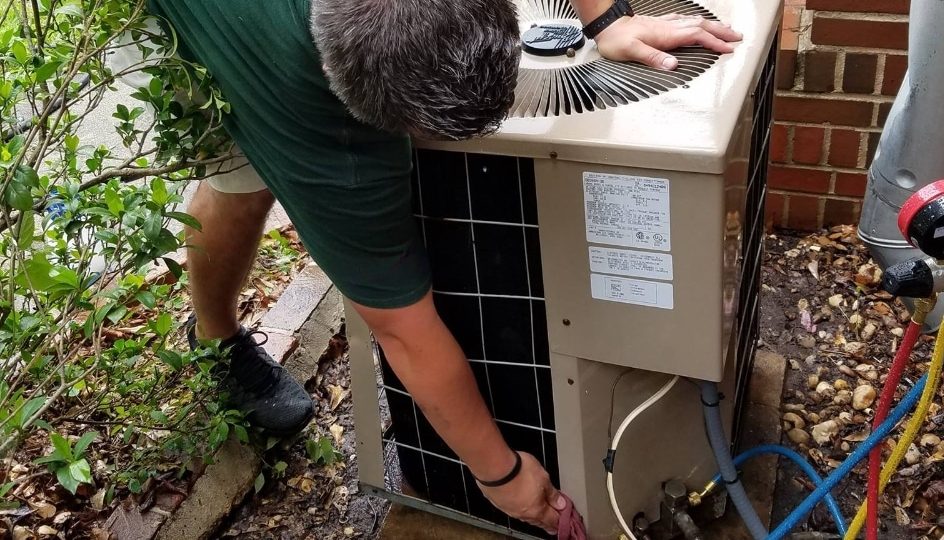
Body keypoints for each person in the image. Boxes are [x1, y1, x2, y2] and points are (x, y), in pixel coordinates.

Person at [114, 0, 741, 533]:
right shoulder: (322, 133)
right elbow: (402, 330)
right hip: (223, 26)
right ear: (362, 111)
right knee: (243, 172)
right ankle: (215, 338)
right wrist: (501, 474)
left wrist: (607, 19)